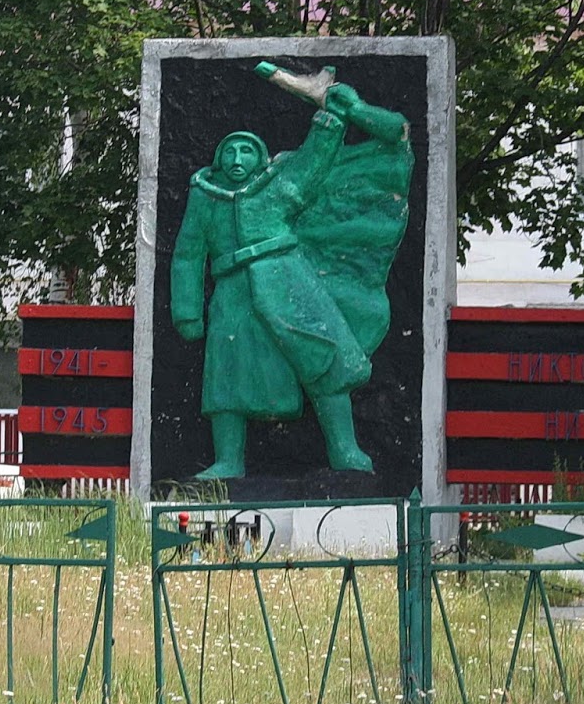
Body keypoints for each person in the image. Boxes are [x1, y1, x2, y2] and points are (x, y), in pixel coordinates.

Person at [171, 75, 412, 477]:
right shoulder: (205, 197)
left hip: (289, 280)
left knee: (324, 358)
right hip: (232, 290)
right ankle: (228, 460)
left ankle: (345, 450)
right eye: (230, 150)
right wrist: (187, 312)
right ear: (217, 158)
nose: (237, 158)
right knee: (226, 372)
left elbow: (311, 166)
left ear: (261, 158)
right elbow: (188, 254)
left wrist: (329, 122)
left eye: (246, 150)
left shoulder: (277, 185)